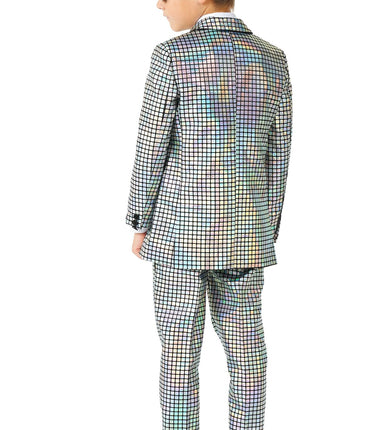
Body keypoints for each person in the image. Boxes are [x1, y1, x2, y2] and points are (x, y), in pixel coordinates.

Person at [125, 0, 293, 428]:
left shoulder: (171, 55)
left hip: (178, 236)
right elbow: (279, 155)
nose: (160, 3)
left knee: (178, 356)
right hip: (246, 236)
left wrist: (139, 220)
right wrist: (265, 229)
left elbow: (151, 147)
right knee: (247, 353)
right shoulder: (273, 58)